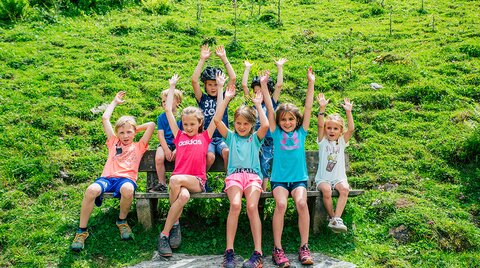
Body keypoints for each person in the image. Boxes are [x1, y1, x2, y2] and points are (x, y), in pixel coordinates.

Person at [70, 91, 155, 252]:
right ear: (117, 134)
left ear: (134, 132)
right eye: (121, 132)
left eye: (129, 132)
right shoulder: (113, 142)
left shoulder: (139, 146)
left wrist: (132, 128)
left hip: (126, 179)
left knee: (128, 190)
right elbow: (105, 119)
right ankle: (82, 231)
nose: (125, 135)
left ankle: (121, 221)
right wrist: (115, 102)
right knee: (91, 190)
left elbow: (151, 125)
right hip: (108, 178)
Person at [157, 73, 221, 257]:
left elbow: (218, 113)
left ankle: (173, 226)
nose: (189, 127)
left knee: (176, 180)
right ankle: (166, 233)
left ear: (200, 123)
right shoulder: (179, 136)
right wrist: (172, 87)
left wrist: (222, 89)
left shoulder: (205, 136)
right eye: (185, 124)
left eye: (192, 124)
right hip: (181, 185)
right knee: (182, 197)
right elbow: (168, 111)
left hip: (197, 181)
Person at [261, 68, 315, 267]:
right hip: (279, 179)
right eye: (283, 119)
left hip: (299, 178)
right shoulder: (275, 132)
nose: (287, 122)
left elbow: (308, 108)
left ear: (297, 120)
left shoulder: (302, 132)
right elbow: (269, 105)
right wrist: (265, 85)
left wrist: (311, 83)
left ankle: (304, 246)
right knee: (281, 205)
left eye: (291, 119)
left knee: (301, 203)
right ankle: (277, 248)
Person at [214, 85, 269, 268]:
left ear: (252, 125)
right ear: (234, 124)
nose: (242, 127)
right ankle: (229, 251)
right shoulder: (231, 137)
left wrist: (258, 104)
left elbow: (267, 125)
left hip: (253, 177)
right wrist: (226, 99)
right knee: (236, 205)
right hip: (235, 177)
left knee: (252, 207)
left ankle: (258, 253)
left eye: (246, 124)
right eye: (238, 123)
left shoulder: (255, 139)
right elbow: (216, 120)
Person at [241, 58, 287, 191]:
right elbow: (244, 86)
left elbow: (279, 85)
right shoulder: (251, 104)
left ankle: (263, 192)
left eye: (261, 91)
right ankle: (251, 188)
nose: (258, 94)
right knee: (252, 164)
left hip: (268, 140)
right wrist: (247, 68)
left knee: (265, 163)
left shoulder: (271, 102)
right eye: (256, 92)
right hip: (253, 139)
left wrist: (279, 67)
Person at [192, 44, 236, 172]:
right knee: (209, 157)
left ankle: (228, 180)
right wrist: (202, 59)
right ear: (205, 86)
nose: (213, 87)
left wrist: (224, 58)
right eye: (210, 85)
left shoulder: (224, 97)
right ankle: (202, 180)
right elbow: (194, 81)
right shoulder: (202, 98)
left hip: (222, 138)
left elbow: (233, 78)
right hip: (207, 137)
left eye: (216, 84)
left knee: (227, 152)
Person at [315, 93, 354, 233]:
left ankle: (337, 218)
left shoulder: (342, 142)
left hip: (338, 178)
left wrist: (348, 112)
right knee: (326, 190)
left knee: (344, 189)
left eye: (335, 128)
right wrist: (322, 108)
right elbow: (319, 125)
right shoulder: (322, 142)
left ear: (340, 131)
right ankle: (332, 218)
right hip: (323, 179)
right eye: (329, 128)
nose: (332, 131)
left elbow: (351, 129)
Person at [151, 88, 183, 192]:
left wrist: (177, 149)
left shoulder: (182, 117)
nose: (165, 103)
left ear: (178, 102)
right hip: (166, 143)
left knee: (182, 157)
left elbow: (185, 135)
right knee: (159, 158)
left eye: (168, 100)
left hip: (181, 144)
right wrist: (166, 149)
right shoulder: (161, 117)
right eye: (163, 101)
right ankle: (162, 183)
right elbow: (160, 135)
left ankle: (180, 182)